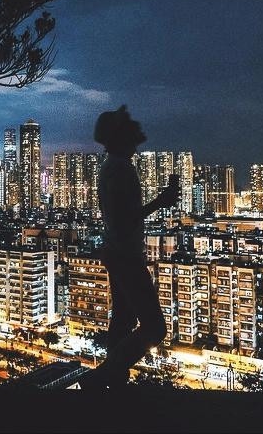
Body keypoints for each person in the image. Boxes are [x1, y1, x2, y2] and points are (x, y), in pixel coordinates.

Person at [81, 105, 179, 390]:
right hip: (125, 255)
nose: (138, 136)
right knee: (154, 328)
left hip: (118, 252)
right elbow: (124, 219)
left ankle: (112, 382)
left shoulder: (114, 166)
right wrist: (160, 202)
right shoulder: (119, 169)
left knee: (123, 319)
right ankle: (103, 377)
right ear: (122, 137)